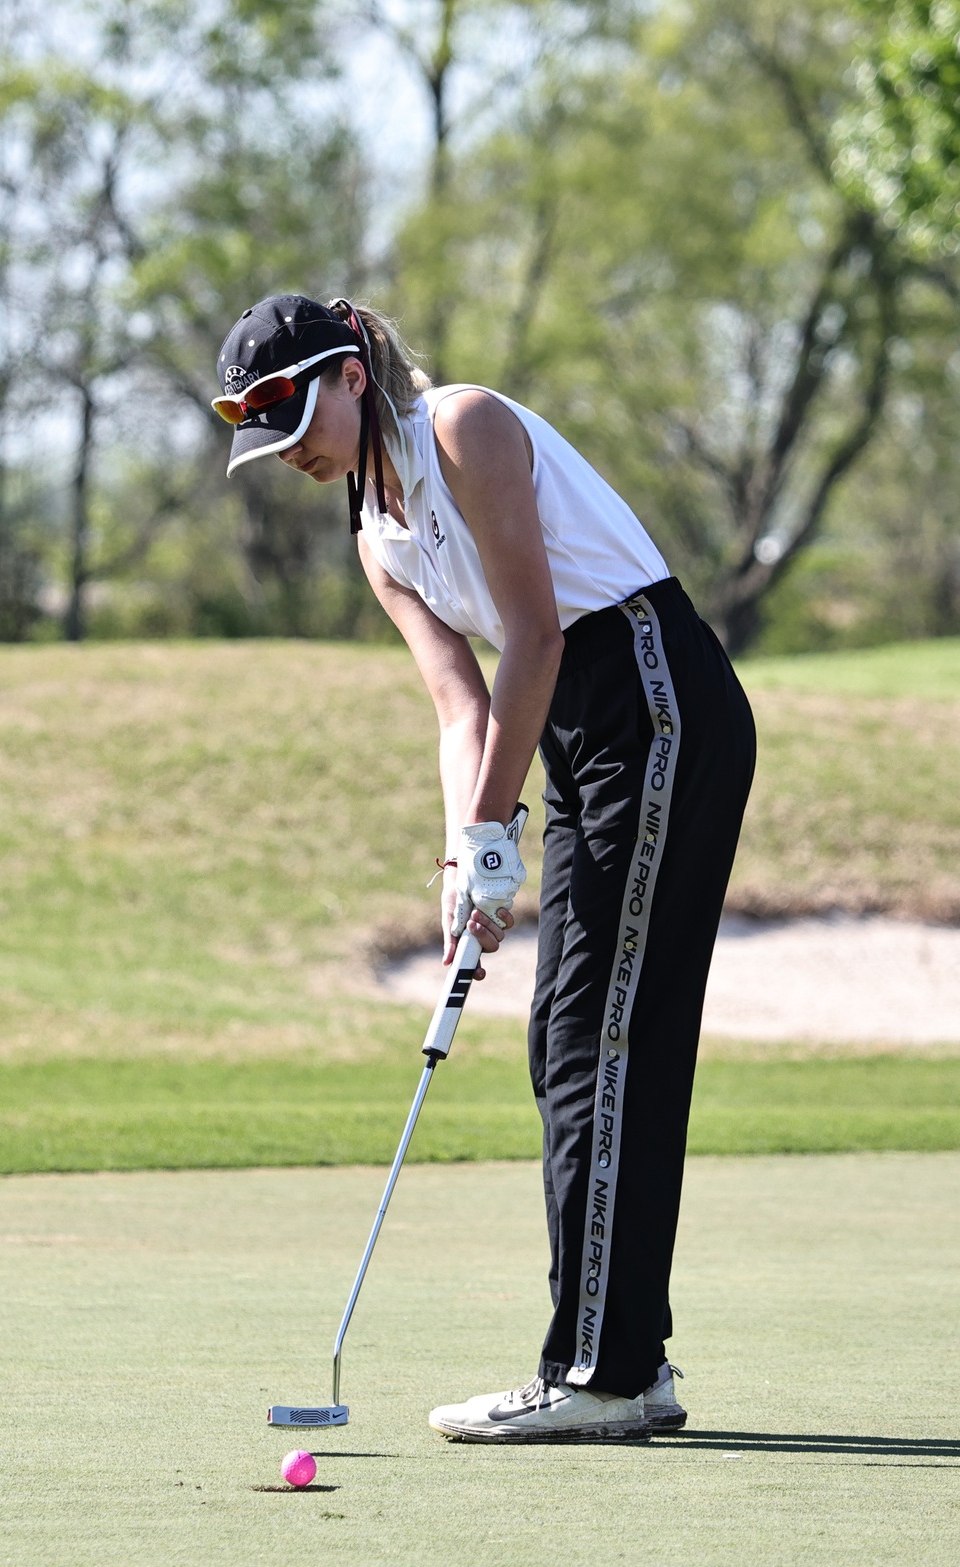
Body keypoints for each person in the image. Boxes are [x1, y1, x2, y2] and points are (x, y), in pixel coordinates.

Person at [215, 294, 757, 1443]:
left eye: (291, 419)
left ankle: (600, 1372)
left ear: (350, 375)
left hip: (653, 696)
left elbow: (540, 635)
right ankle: (626, 1362)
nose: (289, 455)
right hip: (576, 736)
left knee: (589, 1033)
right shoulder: (376, 538)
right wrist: (467, 855)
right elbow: (461, 704)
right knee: (577, 1034)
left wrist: (501, 824)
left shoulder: (464, 428)